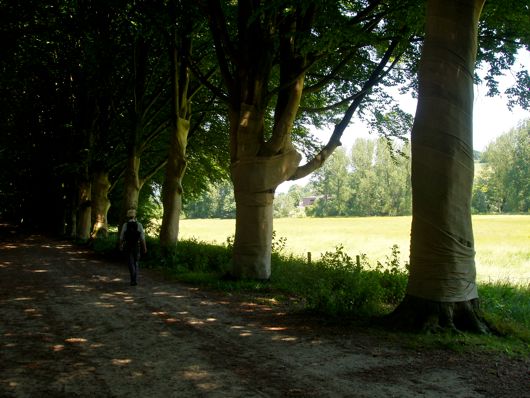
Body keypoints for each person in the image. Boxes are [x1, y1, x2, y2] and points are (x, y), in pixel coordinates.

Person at [119, 209, 147, 286]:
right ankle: (135, 279)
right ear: (135, 215)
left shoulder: (125, 225)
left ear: (128, 216)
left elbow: (121, 237)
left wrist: (120, 245)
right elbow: (142, 238)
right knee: (136, 263)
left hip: (128, 246)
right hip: (136, 246)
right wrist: (144, 248)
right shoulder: (139, 225)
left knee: (130, 263)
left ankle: (132, 280)